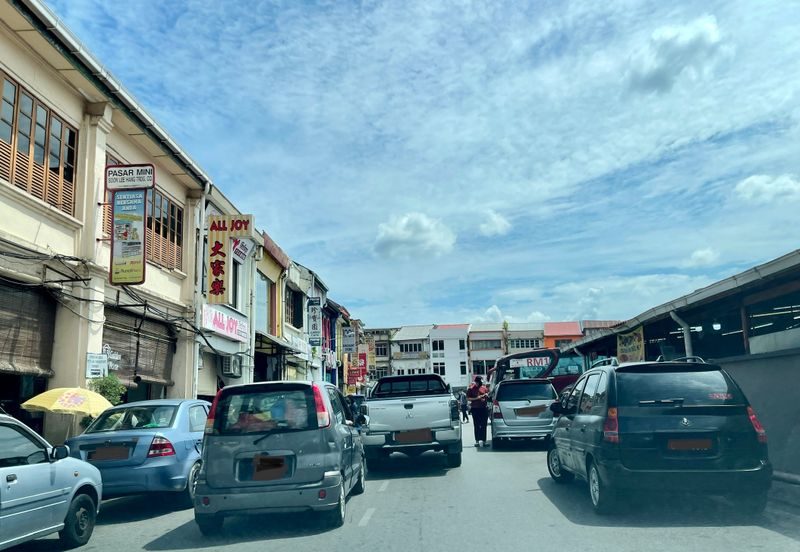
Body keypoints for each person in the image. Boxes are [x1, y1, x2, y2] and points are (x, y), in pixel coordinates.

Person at [466, 376, 490, 447]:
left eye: (480, 383)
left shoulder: (484, 388)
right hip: (475, 409)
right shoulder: (471, 389)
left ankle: (484, 441)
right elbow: (468, 398)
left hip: (483, 408)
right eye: (478, 382)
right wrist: (477, 398)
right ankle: (477, 441)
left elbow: (488, 396)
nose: (479, 384)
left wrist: (486, 396)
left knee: (484, 425)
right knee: (476, 425)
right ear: (476, 382)